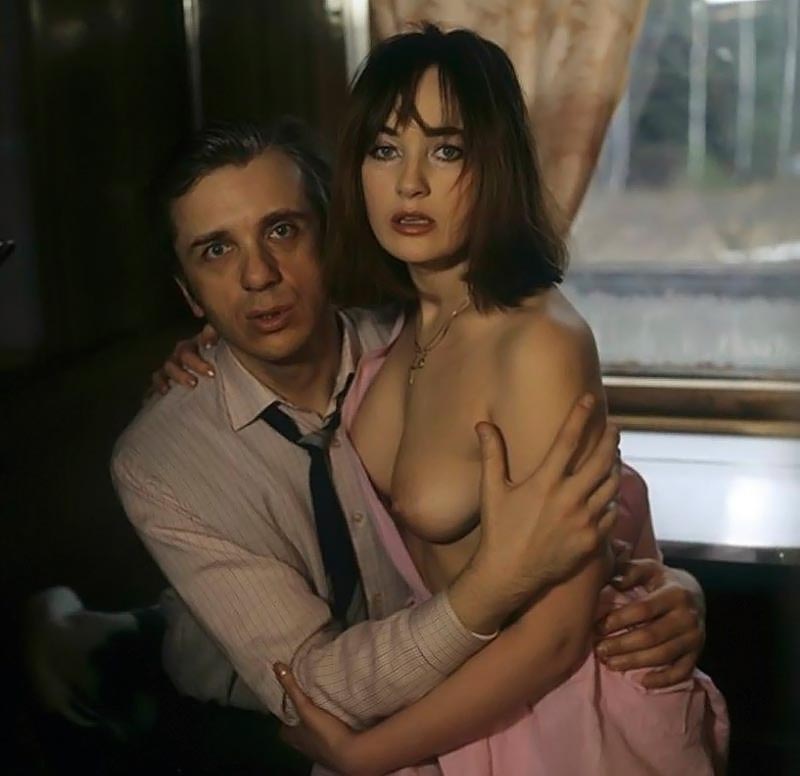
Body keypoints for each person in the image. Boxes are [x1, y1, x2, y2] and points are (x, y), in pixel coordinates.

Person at [215, 24, 728, 776]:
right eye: (384, 149)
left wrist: (365, 754)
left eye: (446, 150)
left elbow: (557, 635)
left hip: (564, 720)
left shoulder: (539, 342)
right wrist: (205, 347)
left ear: (494, 162)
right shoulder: (395, 325)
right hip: (451, 704)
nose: (410, 183)